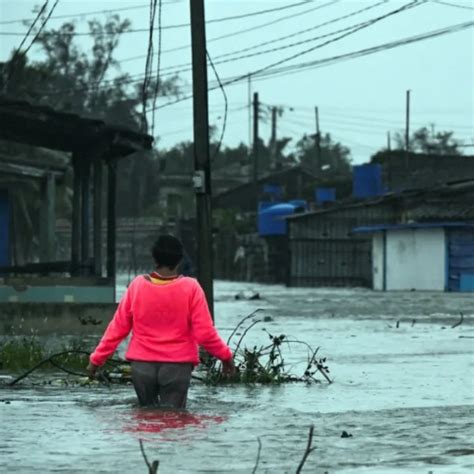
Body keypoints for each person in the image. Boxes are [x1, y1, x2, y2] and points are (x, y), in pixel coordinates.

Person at [87, 234, 235, 408]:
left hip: (142, 367)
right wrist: (226, 357)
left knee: (147, 419)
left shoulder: (137, 286)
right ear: (179, 259)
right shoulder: (191, 288)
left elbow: (117, 328)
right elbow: (205, 334)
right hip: (177, 366)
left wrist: (96, 360)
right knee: (174, 420)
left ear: (154, 258)